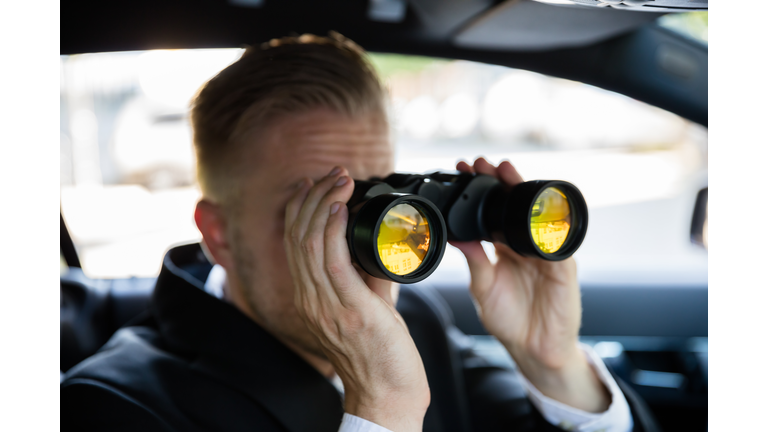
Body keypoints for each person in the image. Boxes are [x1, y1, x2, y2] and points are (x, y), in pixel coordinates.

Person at [61, 33, 658, 432]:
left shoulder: (415, 317)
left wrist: (552, 363)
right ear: (219, 234)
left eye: (374, 198)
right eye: (315, 207)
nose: (359, 235)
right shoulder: (108, 405)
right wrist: (382, 408)